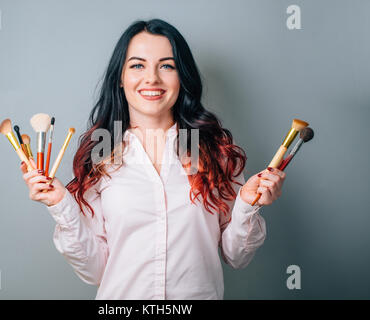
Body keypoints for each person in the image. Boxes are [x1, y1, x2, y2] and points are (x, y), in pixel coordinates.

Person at [20, 19, 285, 299]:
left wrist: (247, 204)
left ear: (182, 77)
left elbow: (236, 257)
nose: (152, 78)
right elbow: (94, 270)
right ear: (120, 78)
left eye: (167, 66)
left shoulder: (213, 152)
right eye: (137, 65)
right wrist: (62, 205)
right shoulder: (101, 156)